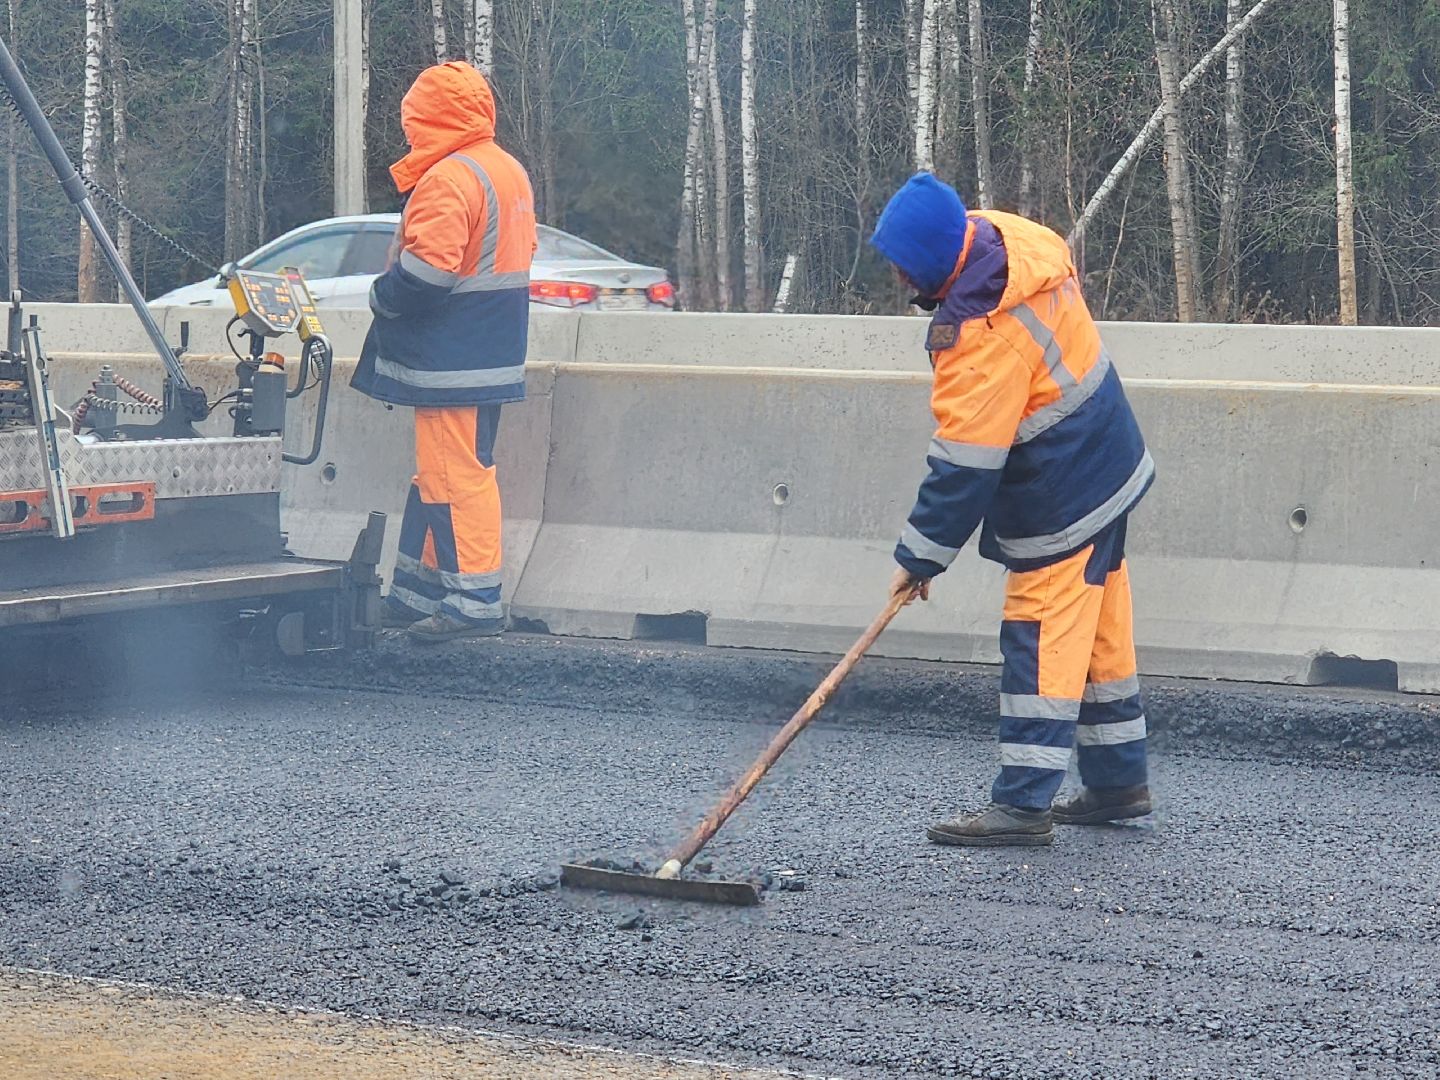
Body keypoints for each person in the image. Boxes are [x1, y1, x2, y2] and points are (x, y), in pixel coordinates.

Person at [870, 173, 1155, 847]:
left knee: (1041, 639)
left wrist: (919, 558)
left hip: (1064, 490)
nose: (896, 273)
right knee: (1098, 639)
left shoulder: (982, 334)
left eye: (902, 263)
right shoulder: (1010, 238)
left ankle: (1023, 804)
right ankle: (1118, 782)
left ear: (933, 262)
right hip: (1108, 458)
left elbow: (965, 465)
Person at [352, 61, 537, 643]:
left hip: (450, 356)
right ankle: (418, 591)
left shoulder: (448, 177)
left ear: (431, 118)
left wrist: (382, 296)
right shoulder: (506, 170)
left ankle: (473, 602)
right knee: (442, 475)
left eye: (414, 121)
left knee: (455, 477)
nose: (408, 133)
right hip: (486, 350)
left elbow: (428, 273)